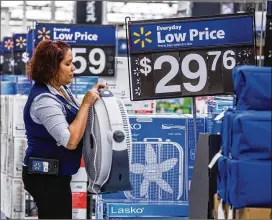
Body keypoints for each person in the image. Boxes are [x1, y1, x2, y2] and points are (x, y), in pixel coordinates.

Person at [22, 40, 107, 219]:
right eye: (67, 64)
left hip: (57, 175)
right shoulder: (44, 100)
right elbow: (70, 140)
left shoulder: (60, 90)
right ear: (51, 68)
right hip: (44, 177)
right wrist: (86, 103)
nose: (73, 68)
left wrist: (91, 96)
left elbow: (78, 117)